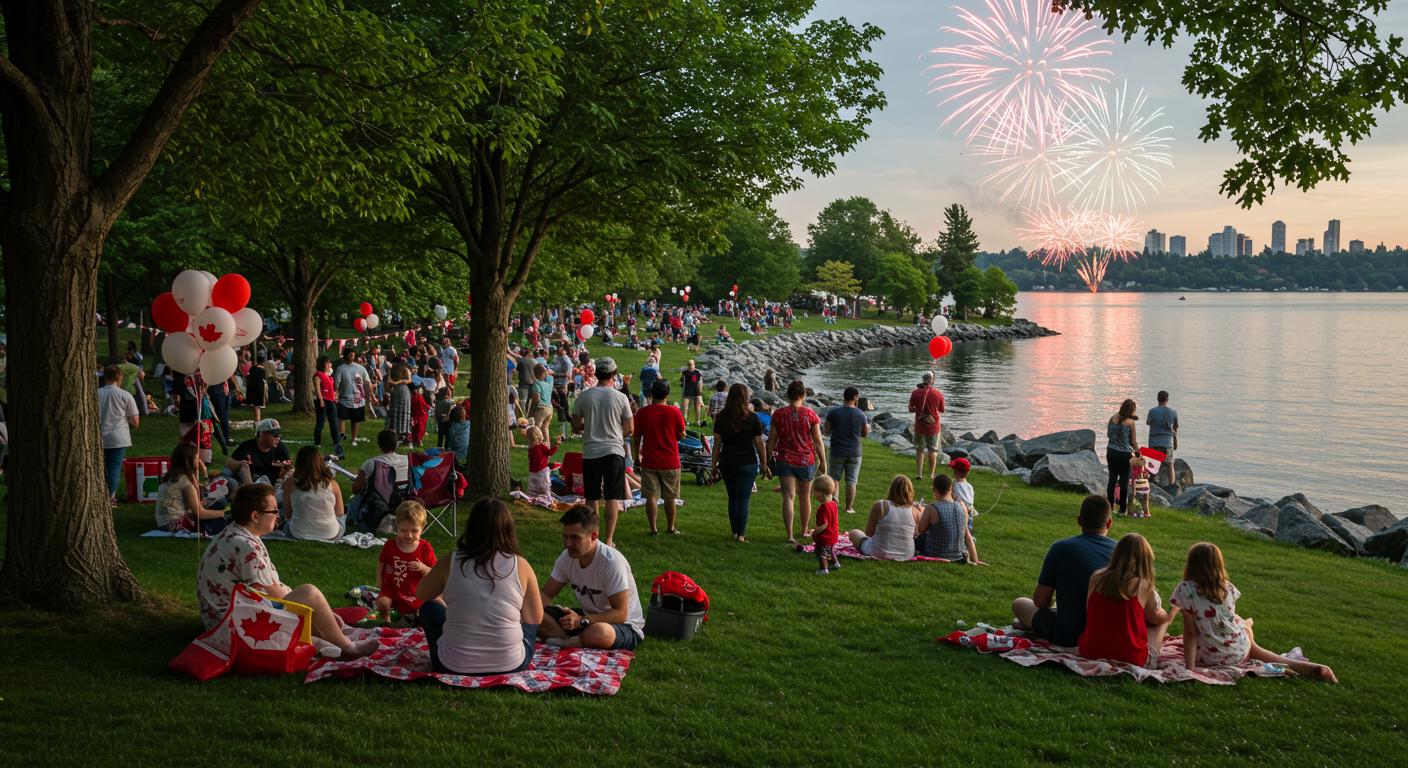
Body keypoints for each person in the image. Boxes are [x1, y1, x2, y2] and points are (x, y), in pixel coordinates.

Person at [196, 484, 379, 659]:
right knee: (309, 593)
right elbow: (273, 594)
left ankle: (339, 638)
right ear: (255, 516)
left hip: (221, 619)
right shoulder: (247, 546)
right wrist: (301, 600)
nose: (278, 515)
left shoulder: (233, 533)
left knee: (311, 607)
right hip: (235, 626)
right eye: (273, 511)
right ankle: (349, 648)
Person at [1173, 542, 1337, 681]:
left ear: (1191, 564)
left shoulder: (1185, 589)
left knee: (1238, 624)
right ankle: (1248, 626)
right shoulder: (1228, 588)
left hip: (1207, 658)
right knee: (1241, 627)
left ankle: (1247, 625)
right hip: (1237, 651)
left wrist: (1190, 670)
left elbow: (1191, 633)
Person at [415, 498, 541, 674]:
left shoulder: (451, 561)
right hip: (511, 664)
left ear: (471, 527)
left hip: (451, 664)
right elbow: (535, 618)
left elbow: (422, 593)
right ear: (508, 529)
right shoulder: (521, 565)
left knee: (429, 608)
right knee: (530, 624)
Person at [1011, 495, 1116, 647]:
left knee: (1019, 603)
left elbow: (1040, 601)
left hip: (1070, 636)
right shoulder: (1121, 551)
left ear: (1079, 520)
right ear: (1109, 523)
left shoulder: (1060, 548)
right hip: (1110, 634)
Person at [537, 505, 644, 650]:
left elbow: (620, 614)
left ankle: (568, 640)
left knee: (598, 633)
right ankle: (569, 642)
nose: (568, 544)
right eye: (565, 537)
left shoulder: (611, 562)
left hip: (623, 627)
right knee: (533, 613)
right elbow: (546, 594)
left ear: (593, 537)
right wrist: (524, 609)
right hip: (586, 621)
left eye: (575, 538)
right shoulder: (566, 558)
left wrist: (581, 621)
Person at [1075, 532, 1177, 669]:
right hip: (1131, 659)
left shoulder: (1096, 578)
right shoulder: (1142, 585)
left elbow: (1090, 610)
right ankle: (1170, 620)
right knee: (1158, 625)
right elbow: (1155, 619)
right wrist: (1166, 615)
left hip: (1090, 652)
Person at [571, 356, 633, 547]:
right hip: (614, 451)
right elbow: (630, 428)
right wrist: (617, 435)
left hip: (591, 451)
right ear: (614, 374)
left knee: (592, 497)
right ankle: (609, 539)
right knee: (612, 497)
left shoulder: (584, 396)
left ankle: (594, 538)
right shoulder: (621, 397)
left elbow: (576, 426)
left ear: (596, 374)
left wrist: (588, 424)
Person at [766, 380, 826, 544]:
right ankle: (804, 531)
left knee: (788, 497)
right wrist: (823, 461)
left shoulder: (779, 414)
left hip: (784, 460)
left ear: (788, 395)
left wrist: (767, 459)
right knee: (805, 497)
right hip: (806, 461)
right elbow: (818, 441)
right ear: (803, 395)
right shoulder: (810, 414)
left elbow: (771, 440)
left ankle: (790, 535)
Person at [712, 383, 769, 542]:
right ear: (745, 398)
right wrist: (764, 464)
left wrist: (713, 465)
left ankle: (735, 531)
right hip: (748, 462)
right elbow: (759, 443)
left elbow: (717, 444)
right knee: (743, 499)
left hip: (727, 462)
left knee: (732, 497)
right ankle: (741, 535)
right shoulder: (752, 418)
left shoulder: (721, 417)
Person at [632, 379, 686, 536]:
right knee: (670, 497)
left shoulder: (643, 413)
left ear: (652, 394)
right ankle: (671, 528)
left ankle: (653, 529)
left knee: (651, 496)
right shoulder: (675, 412)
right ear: (667, 394)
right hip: (670, 461)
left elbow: (636, 437)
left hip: (649, 460)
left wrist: (636, 459)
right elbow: (681, 434)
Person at [370, 500, 438, 624]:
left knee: (425, 613)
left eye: (414, 531)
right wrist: (379, 579)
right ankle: (386, 621)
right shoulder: (390, 545)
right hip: (391, 590)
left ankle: (414, 622)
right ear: (397, 527)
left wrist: (423, 567)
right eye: (403, 531)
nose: (409, 535)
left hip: (415, 592)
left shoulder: (425, 548)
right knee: (382, 603)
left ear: (422, 529)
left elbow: (434, 574)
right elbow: (381, 563)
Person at [154, 443, 226, 534]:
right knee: (225, 518)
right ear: (188, 461)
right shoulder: (184, 481)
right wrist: (224, 514)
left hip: (165, 523)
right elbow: (200, 513)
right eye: (197, 458)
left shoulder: (172, 476)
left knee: (218, 502)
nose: (199, 461)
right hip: (176, 525)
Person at [846, 475, 919, 561]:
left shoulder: (881, 505)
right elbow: (915, 534)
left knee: (854, 533)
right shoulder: (916, 510)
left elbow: (869, 534)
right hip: (907, 554)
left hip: (878, 552)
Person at [914, 474, 983, 564]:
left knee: (919, 539)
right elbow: (967, 536)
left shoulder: (931, 508)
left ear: (934, 489)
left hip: (934, 554)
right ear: (950, 488)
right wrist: (975, 559)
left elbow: (921, 529)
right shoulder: (962, 508)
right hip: (957, 555)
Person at [97, 364, 140, 504]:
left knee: (99, 467)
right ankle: (110, 497)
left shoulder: (96, 394)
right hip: (118, 438)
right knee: (114, 468)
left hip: (99, 437)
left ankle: (98, 495)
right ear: (119, 378)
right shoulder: (125, 395)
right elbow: (135, 422)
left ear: (105, 378)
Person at [823, 386, 870, 515]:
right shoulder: (861, 414)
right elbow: (864, 433)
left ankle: (833, 501)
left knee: (834, 478)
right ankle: (849, 508)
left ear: (844, 397)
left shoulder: (833, 412)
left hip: (837, 451)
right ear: (855, 398)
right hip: (855, 452)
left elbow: (826, 431)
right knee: (851, 481)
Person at [284, 445, 346, 541]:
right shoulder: (332, 483)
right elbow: (340, 513)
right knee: (342, 519)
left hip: (298, 533)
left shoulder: (290, 482)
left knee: (286, 523)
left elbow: (288, 515)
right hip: (331, 533)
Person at [223, 418, 291, 487]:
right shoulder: (247, 447)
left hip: (271, 485)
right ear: (261, 433)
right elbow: (228, 464)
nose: (278, 438)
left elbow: (288, 468)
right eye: (275, 434)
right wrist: (241, 463)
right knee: (228, 472)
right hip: (250, 484)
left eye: (279, 434)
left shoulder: (280, 448)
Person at [908, 371, 945, 482]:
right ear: (932, 381)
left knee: (920, 449)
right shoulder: (938, 394)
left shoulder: (915, 393)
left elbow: (910, 409)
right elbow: (942, 409)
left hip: (920, 426)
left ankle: (919, 474)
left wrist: (916, 409)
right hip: (934, 427)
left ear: (923, 379)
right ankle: (931, 474)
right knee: (932, 450)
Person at [1106, 399, 1140, 516]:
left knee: (1112, 479)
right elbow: (1133, 442)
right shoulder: (1130, 422)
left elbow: (1109, 435)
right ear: (1132, 410)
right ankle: (1122, 508)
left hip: (1111, 452)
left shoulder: (1112, 418)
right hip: (1124, 455)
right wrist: (1138, 453)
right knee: (1124, 482)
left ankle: (1110, 505)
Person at [1145, 390, 1179, 487]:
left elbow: (1148, 422)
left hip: (1154, 441)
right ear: (1167, 399)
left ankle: (1151, 482)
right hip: (1167, 441)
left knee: (1152, 463)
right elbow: (1175, 426)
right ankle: (1171, 484)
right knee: (1169, 464)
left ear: (1157, 399)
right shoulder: (1173, 412)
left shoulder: (1152, 411)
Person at [808, 475, 841, 575]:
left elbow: (824, 525)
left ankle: (823, 568)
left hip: (825, 537)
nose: (813, 494)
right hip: (834, 534)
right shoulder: (833, 504)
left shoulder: (822, 509)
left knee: (820, 552)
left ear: (821, 494)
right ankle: (834, 563)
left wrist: (814, 532)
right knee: (829, 550)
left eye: (814, 492)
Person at [312, 356, 342, 457]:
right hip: (323, 399)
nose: (329, 365)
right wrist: (320, 399)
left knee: (333, 421)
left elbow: (331, 389)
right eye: (327, 363)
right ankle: (317, 441)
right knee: (321, 421)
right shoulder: (318, 375)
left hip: (331, 400)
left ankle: (336, 441)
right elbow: (317, 388)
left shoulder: (329, 377)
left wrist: (335, 397)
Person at [526, 425, 562, 497]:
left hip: (533, 470)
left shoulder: (531, 448)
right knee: (544, 485)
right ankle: (546, 496)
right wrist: (557, 445)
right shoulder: (541, 446)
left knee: (534, 485)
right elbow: (550, 452)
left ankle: (533, 495)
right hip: (542, 469)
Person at [384, 362, 413, 445]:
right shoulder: (406, 372)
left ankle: (397, 434)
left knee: (396, 412)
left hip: (398, 391)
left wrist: (395, 383)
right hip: (405, 391)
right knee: (404, 412)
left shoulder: (393, 373)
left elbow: (389, 382)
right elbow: (409, 380)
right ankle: (403, 435)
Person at [526, 363, 553, 433]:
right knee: (545, 427)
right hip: (550, 408)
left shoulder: (536, 385)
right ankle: (546, 440)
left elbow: (536, 398)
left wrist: (531, 412)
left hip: (541, 409)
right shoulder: (548, 384)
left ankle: (537, 440)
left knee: (537, 428)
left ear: (534, 374)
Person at [950, 458, 976, 524]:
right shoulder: (970, 486)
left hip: (959, 513)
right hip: (969, 513)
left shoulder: (954, 486)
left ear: (955, 471)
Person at [680, 359, 704, 426]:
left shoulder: (697, 373)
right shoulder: (685, 373)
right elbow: (682, 382)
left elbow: (700, 382)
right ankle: (684, 421)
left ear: (694, 365)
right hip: (686, 392)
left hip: (696, 392)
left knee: (697, 408)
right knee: (685, 408)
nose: (691, 366)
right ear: (687, 365)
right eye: (690, 365)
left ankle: (697, 421)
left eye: (692, 365)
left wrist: (700, 392)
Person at [245, 352, 267, 424]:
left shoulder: (252, 369)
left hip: (252, 386)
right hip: (259, 386)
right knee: (257, 405)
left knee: (254, 405)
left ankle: (257, 420)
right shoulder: (262, 370)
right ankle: (257, 420)